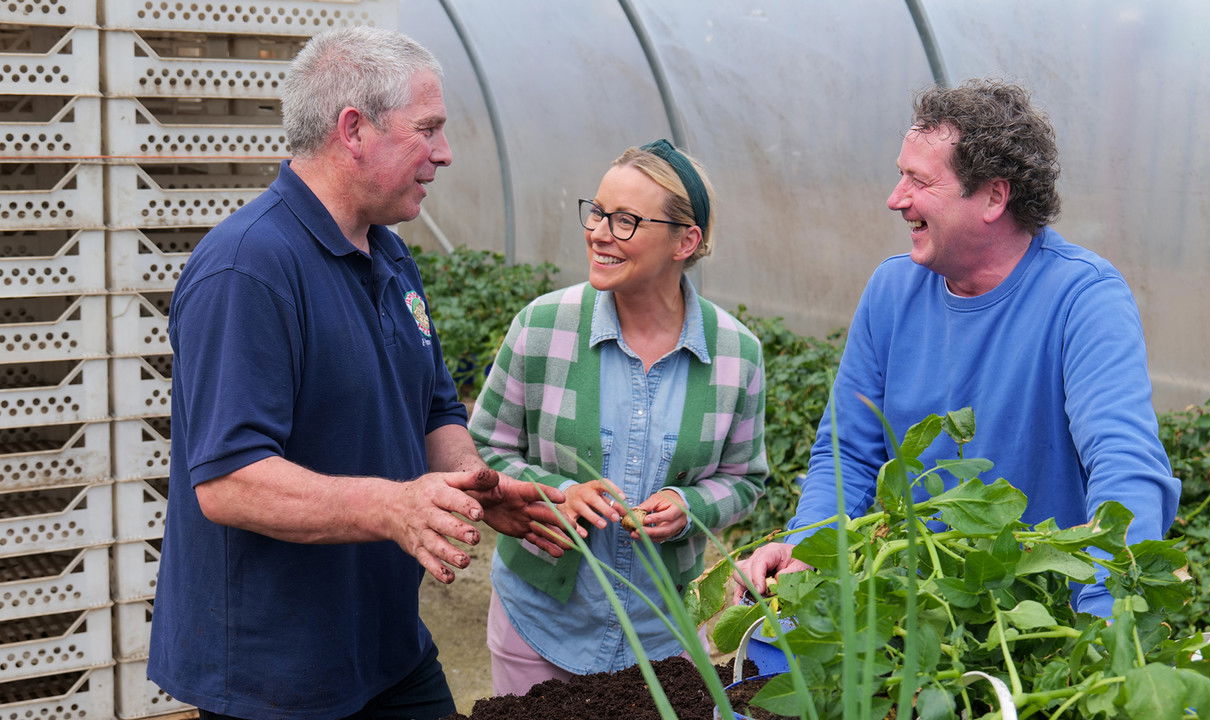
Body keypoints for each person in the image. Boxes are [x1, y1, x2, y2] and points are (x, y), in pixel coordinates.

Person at [147, 26, 566, 720]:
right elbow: (229, 482)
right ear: (354, 130)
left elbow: (434, 409)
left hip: (386, 646)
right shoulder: (247, 268)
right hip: (276, 675)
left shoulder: (391, 257)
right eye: (427, 129)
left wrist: (472, 485)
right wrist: (394, 507)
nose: (445, 153)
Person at [738, 79, 1179, 617]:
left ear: (994, 196)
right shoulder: (892, 291)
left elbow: (1124, 463)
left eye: (918, 181)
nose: (895, 198)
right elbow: (849, 452)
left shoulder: (1083, 298)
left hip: (1040, 616)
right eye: (900, 175)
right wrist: (810, 548)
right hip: (920, 605)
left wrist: (1102, 620)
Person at [468, 140, 768, 694]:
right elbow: (482, 449)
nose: (600, 232)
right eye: (598, 212)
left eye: (626, 220)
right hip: (538, 620)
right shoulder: (543, 326)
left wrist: (690, 505)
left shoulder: (736, 353)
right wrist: (555, 492)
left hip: (663, 632)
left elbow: (746, 479)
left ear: (687, 240)